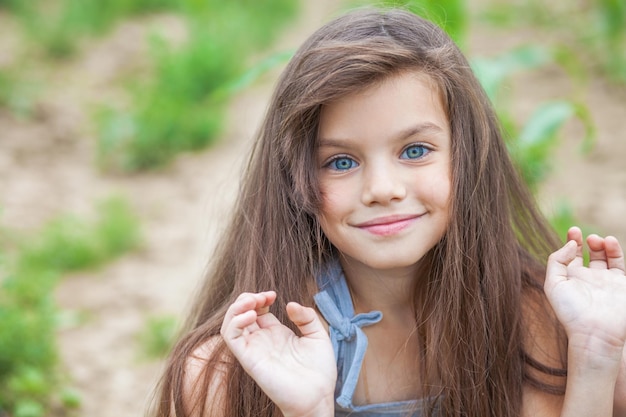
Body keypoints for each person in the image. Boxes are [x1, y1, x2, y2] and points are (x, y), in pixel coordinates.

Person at [151, 7, 626, 417]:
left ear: (467, 155)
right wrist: (306, 409)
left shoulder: (538, 324)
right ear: (295, 183)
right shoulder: (229, 371)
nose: (381, 189)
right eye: (341, 162)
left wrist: (595, 356)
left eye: (415, 150)